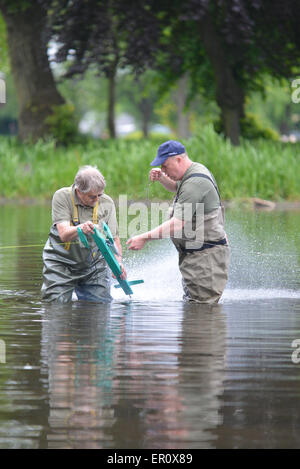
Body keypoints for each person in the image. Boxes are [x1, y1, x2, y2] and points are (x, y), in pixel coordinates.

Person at [126, 140, 230, 304]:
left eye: (165, 166)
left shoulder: (195, 183)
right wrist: (162, 178)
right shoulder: (192, 172)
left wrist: (144, 237)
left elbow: (177, 224)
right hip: (196, 257)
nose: (162, 170)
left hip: (205, 260)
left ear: (178, 160)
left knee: (202, 311)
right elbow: (178, 187)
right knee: (194, 309)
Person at [41, 165, 126, 303]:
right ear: (78, 191)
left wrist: (118, 263)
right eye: (92, 196)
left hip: (93, 265)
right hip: (60, 263)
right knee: (56, 304)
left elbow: (114, 239)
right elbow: (63, 234)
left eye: (100, 195)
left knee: (100, 306)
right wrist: (80, 228)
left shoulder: (107, 202)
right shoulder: (62, 196)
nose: (97, 199)